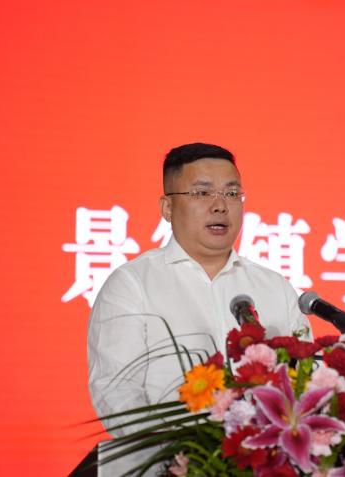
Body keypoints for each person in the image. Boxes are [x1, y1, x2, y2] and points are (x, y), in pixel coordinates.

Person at [87, 143, 311, 475]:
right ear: (167, 207)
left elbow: (304, 381)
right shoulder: (132, 284)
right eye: (202, 193)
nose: (220, 206)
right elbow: (116, 390)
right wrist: (179, 452)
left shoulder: (275, 287)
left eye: (232, 194)